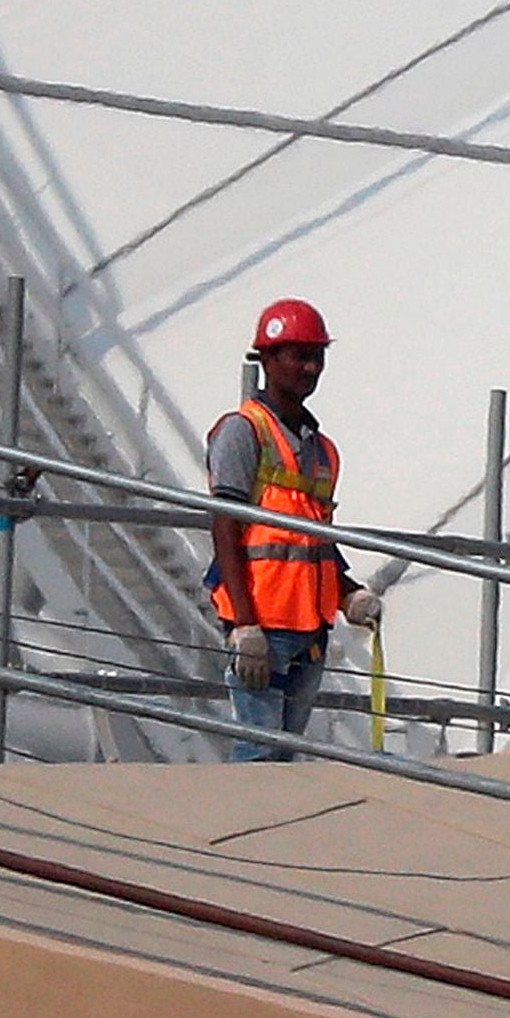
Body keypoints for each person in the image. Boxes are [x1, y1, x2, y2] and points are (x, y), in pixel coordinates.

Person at [207, 298, 352, 762]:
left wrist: (349, 593)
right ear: (267, 359)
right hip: (263, 627)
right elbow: (225, 528)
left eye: (317, 356)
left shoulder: (322, 450)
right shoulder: (243, 432)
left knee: (282, 761)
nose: (310, 367)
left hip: (309, 630)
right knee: (259, 758)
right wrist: (245, 627)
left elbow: (315, 540)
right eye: (298, 355)